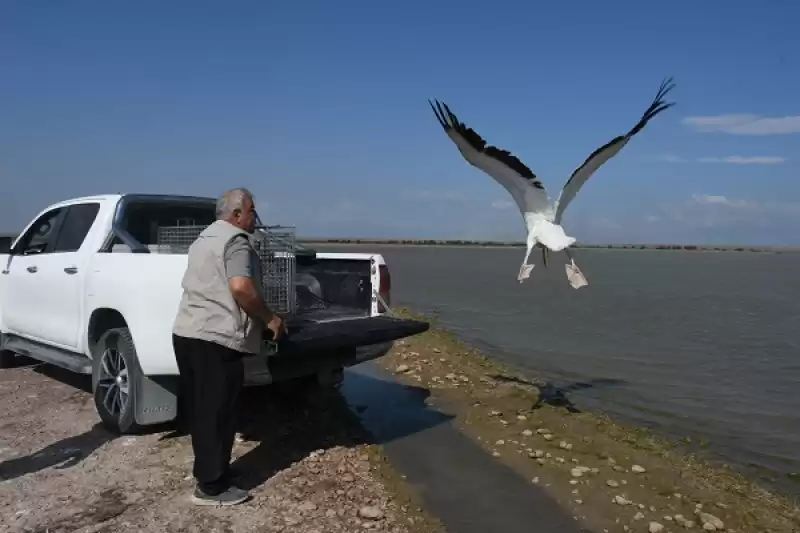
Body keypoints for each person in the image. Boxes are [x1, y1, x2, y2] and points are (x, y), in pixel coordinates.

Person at [172, 187, 286, 506]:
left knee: (203, 411)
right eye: (252, 212)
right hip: (215, 338)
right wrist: (270, 319)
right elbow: (241, 288)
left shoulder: (204, 238)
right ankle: (211, 488)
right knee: (218, 413)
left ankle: (215, 473)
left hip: (186, 333)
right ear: (237, 215)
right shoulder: (236, 241)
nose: (254, 219)